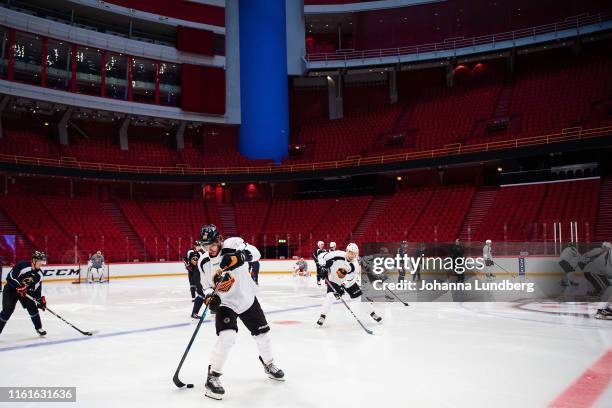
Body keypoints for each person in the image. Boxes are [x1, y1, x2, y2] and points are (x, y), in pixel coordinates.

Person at [196, 224, 284, 400]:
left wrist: (240, 257)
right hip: (226, 304)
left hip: (247, 299)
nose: (209, 249)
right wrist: (208, 298)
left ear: (219, 240)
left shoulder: (233, 244)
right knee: (227, 338)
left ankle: (269, 364)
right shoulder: (204, 262)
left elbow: (256, 254)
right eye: (205, 246)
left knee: (263, 335)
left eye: (212, 245)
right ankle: (213, 377)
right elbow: (205, 286)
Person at [316, 243, 382, 327]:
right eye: (351, 252)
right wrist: (322, 267)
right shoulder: (337, 254)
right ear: (347, 251)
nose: (353, 255)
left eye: (355, 253)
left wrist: (342, 288)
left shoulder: (355, 265)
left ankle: (373, 314)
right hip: (334, 280)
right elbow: (321, 255)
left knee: (360, 297)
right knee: (330, 296)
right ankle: (322, 316)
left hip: (348, 283)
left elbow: (350, 278)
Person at [0, 251, 48, 336]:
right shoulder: (22, 265)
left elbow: (36, 289)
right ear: (34, 260)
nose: (42, 264)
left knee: (32, 308)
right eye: (40, 261)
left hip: (24, 292)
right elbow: (10, 277)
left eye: (43, 262)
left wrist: (39, 300)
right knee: (7, 311)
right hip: (11, 289)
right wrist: (18, 286)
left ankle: (39, 328)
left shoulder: (40, 274)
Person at [184, 244, 204, 319]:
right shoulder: (190, 252)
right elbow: (185, 259)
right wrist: (188, 267)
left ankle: (213, 309)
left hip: (201, 274)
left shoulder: (202, 253)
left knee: (204, 293)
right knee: (201, 293)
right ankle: (194, 312)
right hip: (197, 273)